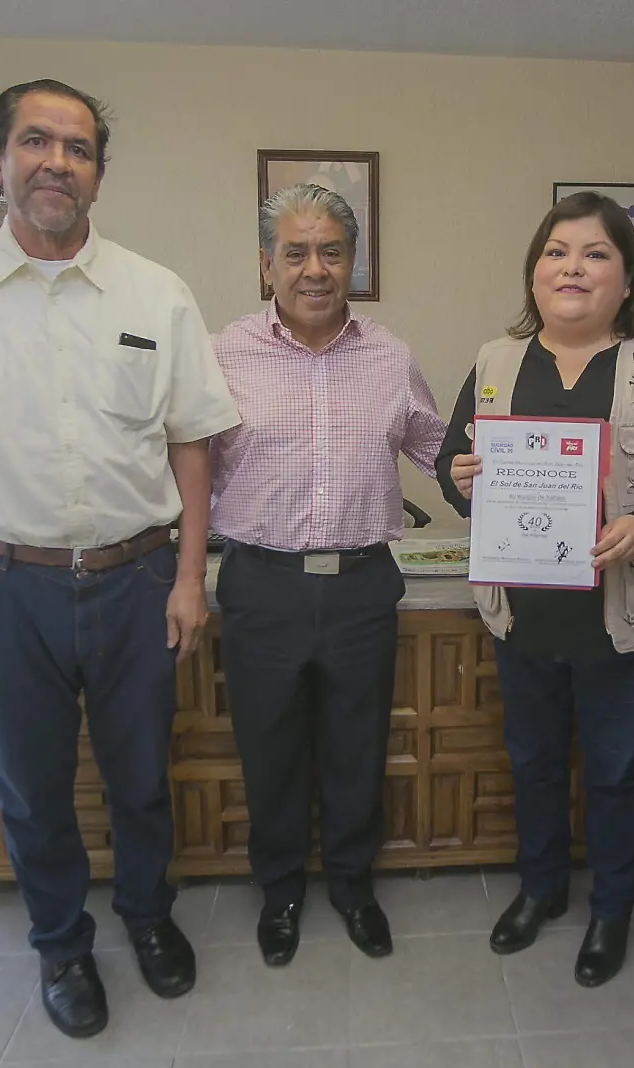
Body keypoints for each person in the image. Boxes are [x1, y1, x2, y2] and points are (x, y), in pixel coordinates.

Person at [0, 79, 240, 1040]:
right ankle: (60, 943)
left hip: (135, 578)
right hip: (6, 583)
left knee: (138, 774)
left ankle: (148, 916)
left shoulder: (154, 291)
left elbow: (192, 444)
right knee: (32, 784)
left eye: (77, 147)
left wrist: (187, 576)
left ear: (98, 174)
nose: (56, 161)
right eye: (35, 142)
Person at [436, 192, 634, 987]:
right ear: (534, 273)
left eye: (595, 254)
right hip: (522, 617)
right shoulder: (496, 362)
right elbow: (454, 469)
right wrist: (462, 481)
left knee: (610, 770)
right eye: (556, 251)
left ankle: (611, 909)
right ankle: (540, 891)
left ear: (626, 280)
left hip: (617, 621)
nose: (573, 267)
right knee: (530, 762)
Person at [208, 183, 448, 967]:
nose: (315, 269)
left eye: (332, 252)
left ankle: (351, 884)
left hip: (360, 587)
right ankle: (279, 890)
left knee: (356, 745)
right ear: (266, 264)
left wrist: (514, 473)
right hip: (260, 584)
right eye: (296, 252)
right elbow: (184, 467)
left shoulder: (390, 357)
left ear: (353, 262)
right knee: (269, 749)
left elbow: (439, 449)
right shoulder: (222, 354)